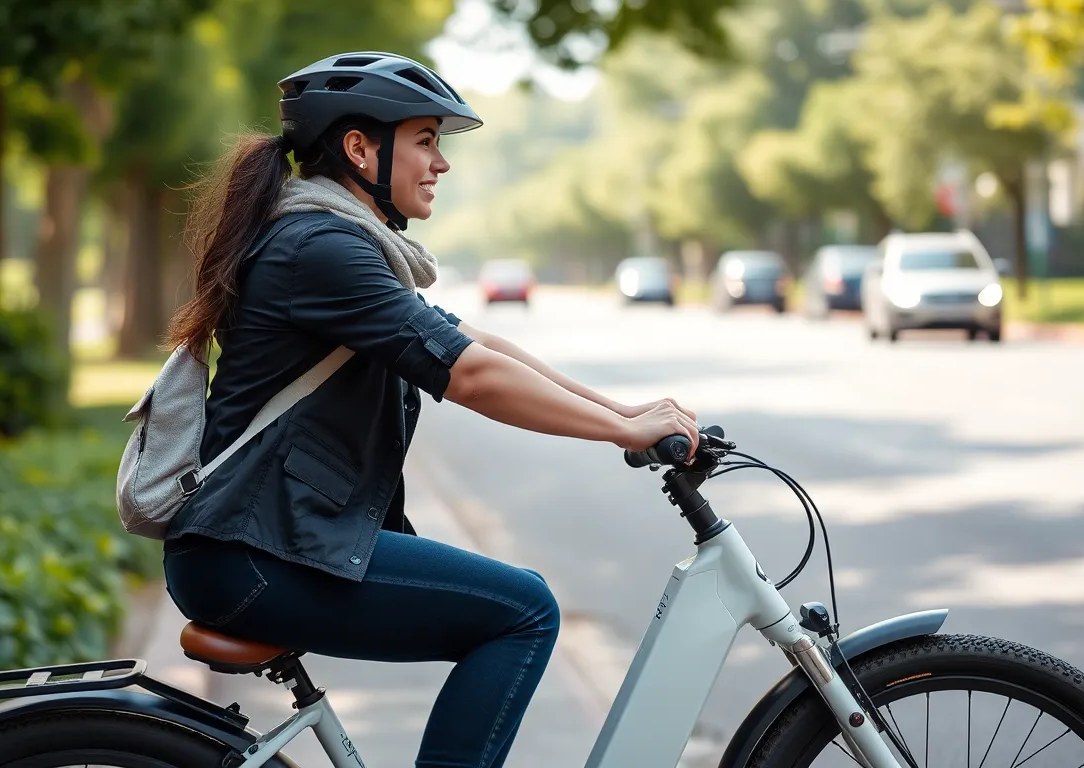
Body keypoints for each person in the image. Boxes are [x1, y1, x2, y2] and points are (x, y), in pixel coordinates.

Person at [160, 52, 698, 768]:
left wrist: (623, 409)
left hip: (262, 545)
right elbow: (470, 377)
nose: (440, 162)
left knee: (512, 605)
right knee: (524, 612)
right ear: (359, 148)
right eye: (425, 138)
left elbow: (475, 341)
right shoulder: (320, 245)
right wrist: (622, 431)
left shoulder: (334, 238)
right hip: (255, 554)